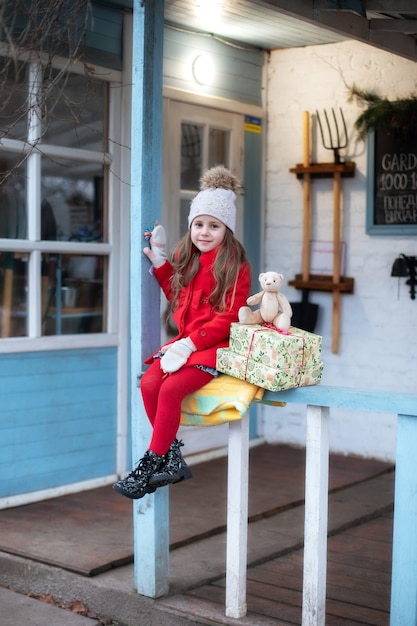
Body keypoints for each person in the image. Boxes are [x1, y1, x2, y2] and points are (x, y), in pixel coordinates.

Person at [113, 165, 252, 500]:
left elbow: (231, 315)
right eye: (199, 224)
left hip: (213, 348)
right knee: (148, 383)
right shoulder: (190, 261)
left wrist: (192, 343)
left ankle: (151, 463)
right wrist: (161, 263)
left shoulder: (235, 266)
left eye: (214, 226)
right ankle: (171, 455)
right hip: (184, 345)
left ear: (226, 229)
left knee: (172, 388)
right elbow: (178, 298)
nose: (204, 232)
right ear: (191, 226)